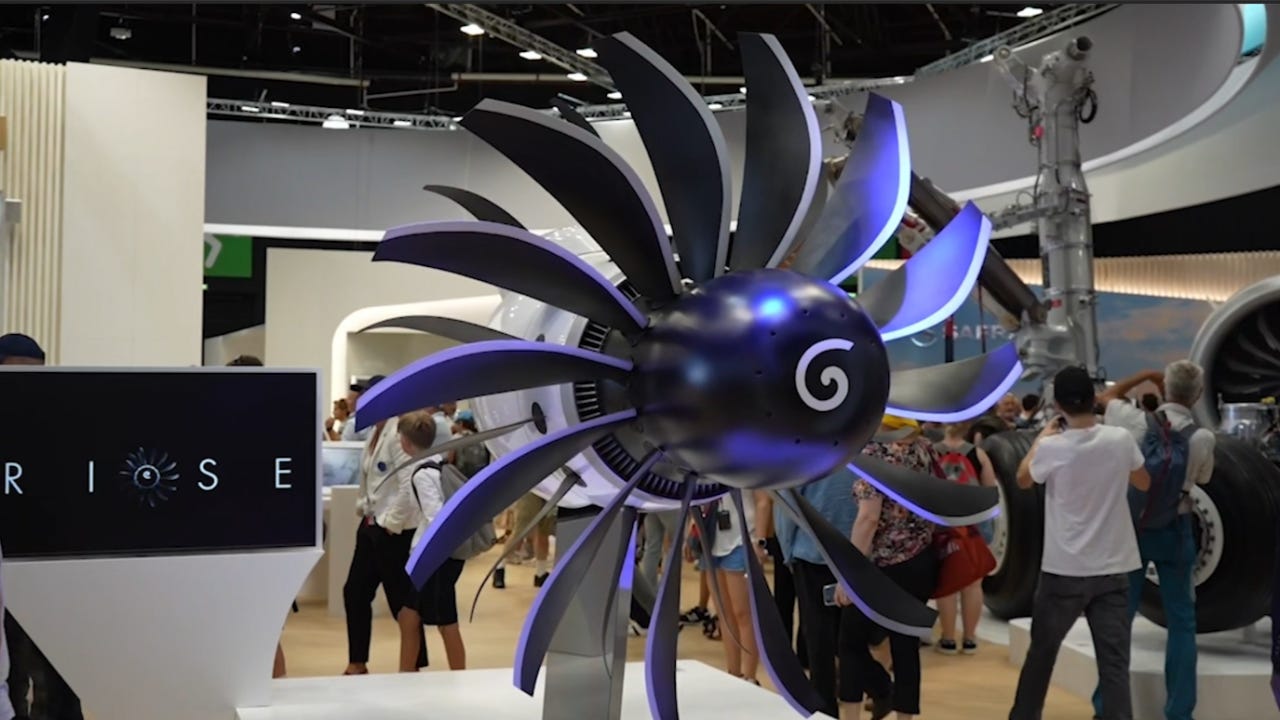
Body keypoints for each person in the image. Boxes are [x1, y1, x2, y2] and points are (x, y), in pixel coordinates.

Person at [1008, 366, 1149, 720]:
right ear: (1094, 399)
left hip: (1063, 569)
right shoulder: (1120, 439)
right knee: (1114, 665)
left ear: (1057, 405)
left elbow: (1023, 479)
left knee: (1042, 655)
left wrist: (1040, 438)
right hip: (1114, 567)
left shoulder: (1052, 447)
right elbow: (1144, 482)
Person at [1091, 364, 1214, 720]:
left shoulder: (1133, 421)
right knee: (1182, 623)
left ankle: (1108, 709)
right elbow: (1204, 478)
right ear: (1198, 395)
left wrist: (1143, 374)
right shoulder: (1203, 438)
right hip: (1176, 530)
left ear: (1164, 389)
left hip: (1132, 530)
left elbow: (1106, 397)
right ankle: (1179, 713)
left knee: (1119, 620)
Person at [836, 415, 940, 720]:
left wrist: (848, 575)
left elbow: (868, 519)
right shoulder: (924, 448)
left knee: (850, 643)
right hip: (920, 559)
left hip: (880, 565)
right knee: (905, 647)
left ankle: (851, 716)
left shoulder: (873, 454)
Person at [1, 333, 81, 720]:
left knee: (58, 673)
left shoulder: (57, 423)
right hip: (9, 565)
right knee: (11, 673)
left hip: (49, 566)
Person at [341, 377, 428, 674]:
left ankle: (413, 665)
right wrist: (364, 508)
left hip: (394, 532)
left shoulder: (397, 433)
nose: (359, 401)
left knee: (402, 602)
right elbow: (370, 478)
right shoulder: (373, 433)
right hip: (371, 525)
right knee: (354, 592)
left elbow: (408, 484)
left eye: (366, 395)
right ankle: (357, 662)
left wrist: (390, 523)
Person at [777, 468, 860, 718]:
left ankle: (825, 710)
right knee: (851, 640)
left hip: (812, 553)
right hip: (854, 555)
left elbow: (787, 507)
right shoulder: (862, 454)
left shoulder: (807, 458)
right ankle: (871, 692)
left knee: (818, 639)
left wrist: (787, 552)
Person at [396, 411, 469, 671]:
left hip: (434, 558)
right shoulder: (440, 464)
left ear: (406, 442)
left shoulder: (421, 474)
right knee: (409, 615)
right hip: (438, 556)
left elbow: (436, 517)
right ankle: (405, 673)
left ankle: (459, 677)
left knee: (445, 622)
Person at [934, 421, 998, 655]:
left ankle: (948, 639)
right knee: (973, 583)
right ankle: (970, 639)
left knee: (947, 582)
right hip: (973, 525)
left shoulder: (931, 452)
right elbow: (990, 489)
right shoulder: (978, 454)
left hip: (943, 525)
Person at [708, 490, 764, 685]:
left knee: (743, 613)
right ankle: (733, 673)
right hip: (711, 538)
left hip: (743, 538)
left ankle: (750, 676)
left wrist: (759, 541)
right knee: (724, 613)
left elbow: (763, 501)